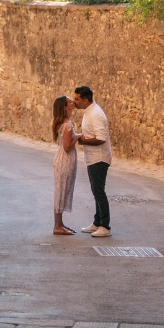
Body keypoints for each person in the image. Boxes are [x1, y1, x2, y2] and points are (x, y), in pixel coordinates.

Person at [72, 85, 111, 237]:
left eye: (77, 99)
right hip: (92, 158)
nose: (74, 102)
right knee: (96, 191)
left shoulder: (95, 114)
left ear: (85, 100)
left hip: (99, 159)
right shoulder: (89, 112)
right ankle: (97, 222)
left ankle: (105, 226)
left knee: (99, 192)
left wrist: (83, 140)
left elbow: (101, 138)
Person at [51, 95, 79, 234]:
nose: (73, 102)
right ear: (65, 107)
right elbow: (67, 147)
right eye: (69, 102)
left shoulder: (62, 122)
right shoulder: (67, 125)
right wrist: (78, 137)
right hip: (65, 159)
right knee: (61, 191)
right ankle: (57, 226)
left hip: (62, 158)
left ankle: (60, 224)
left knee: (61, 190)